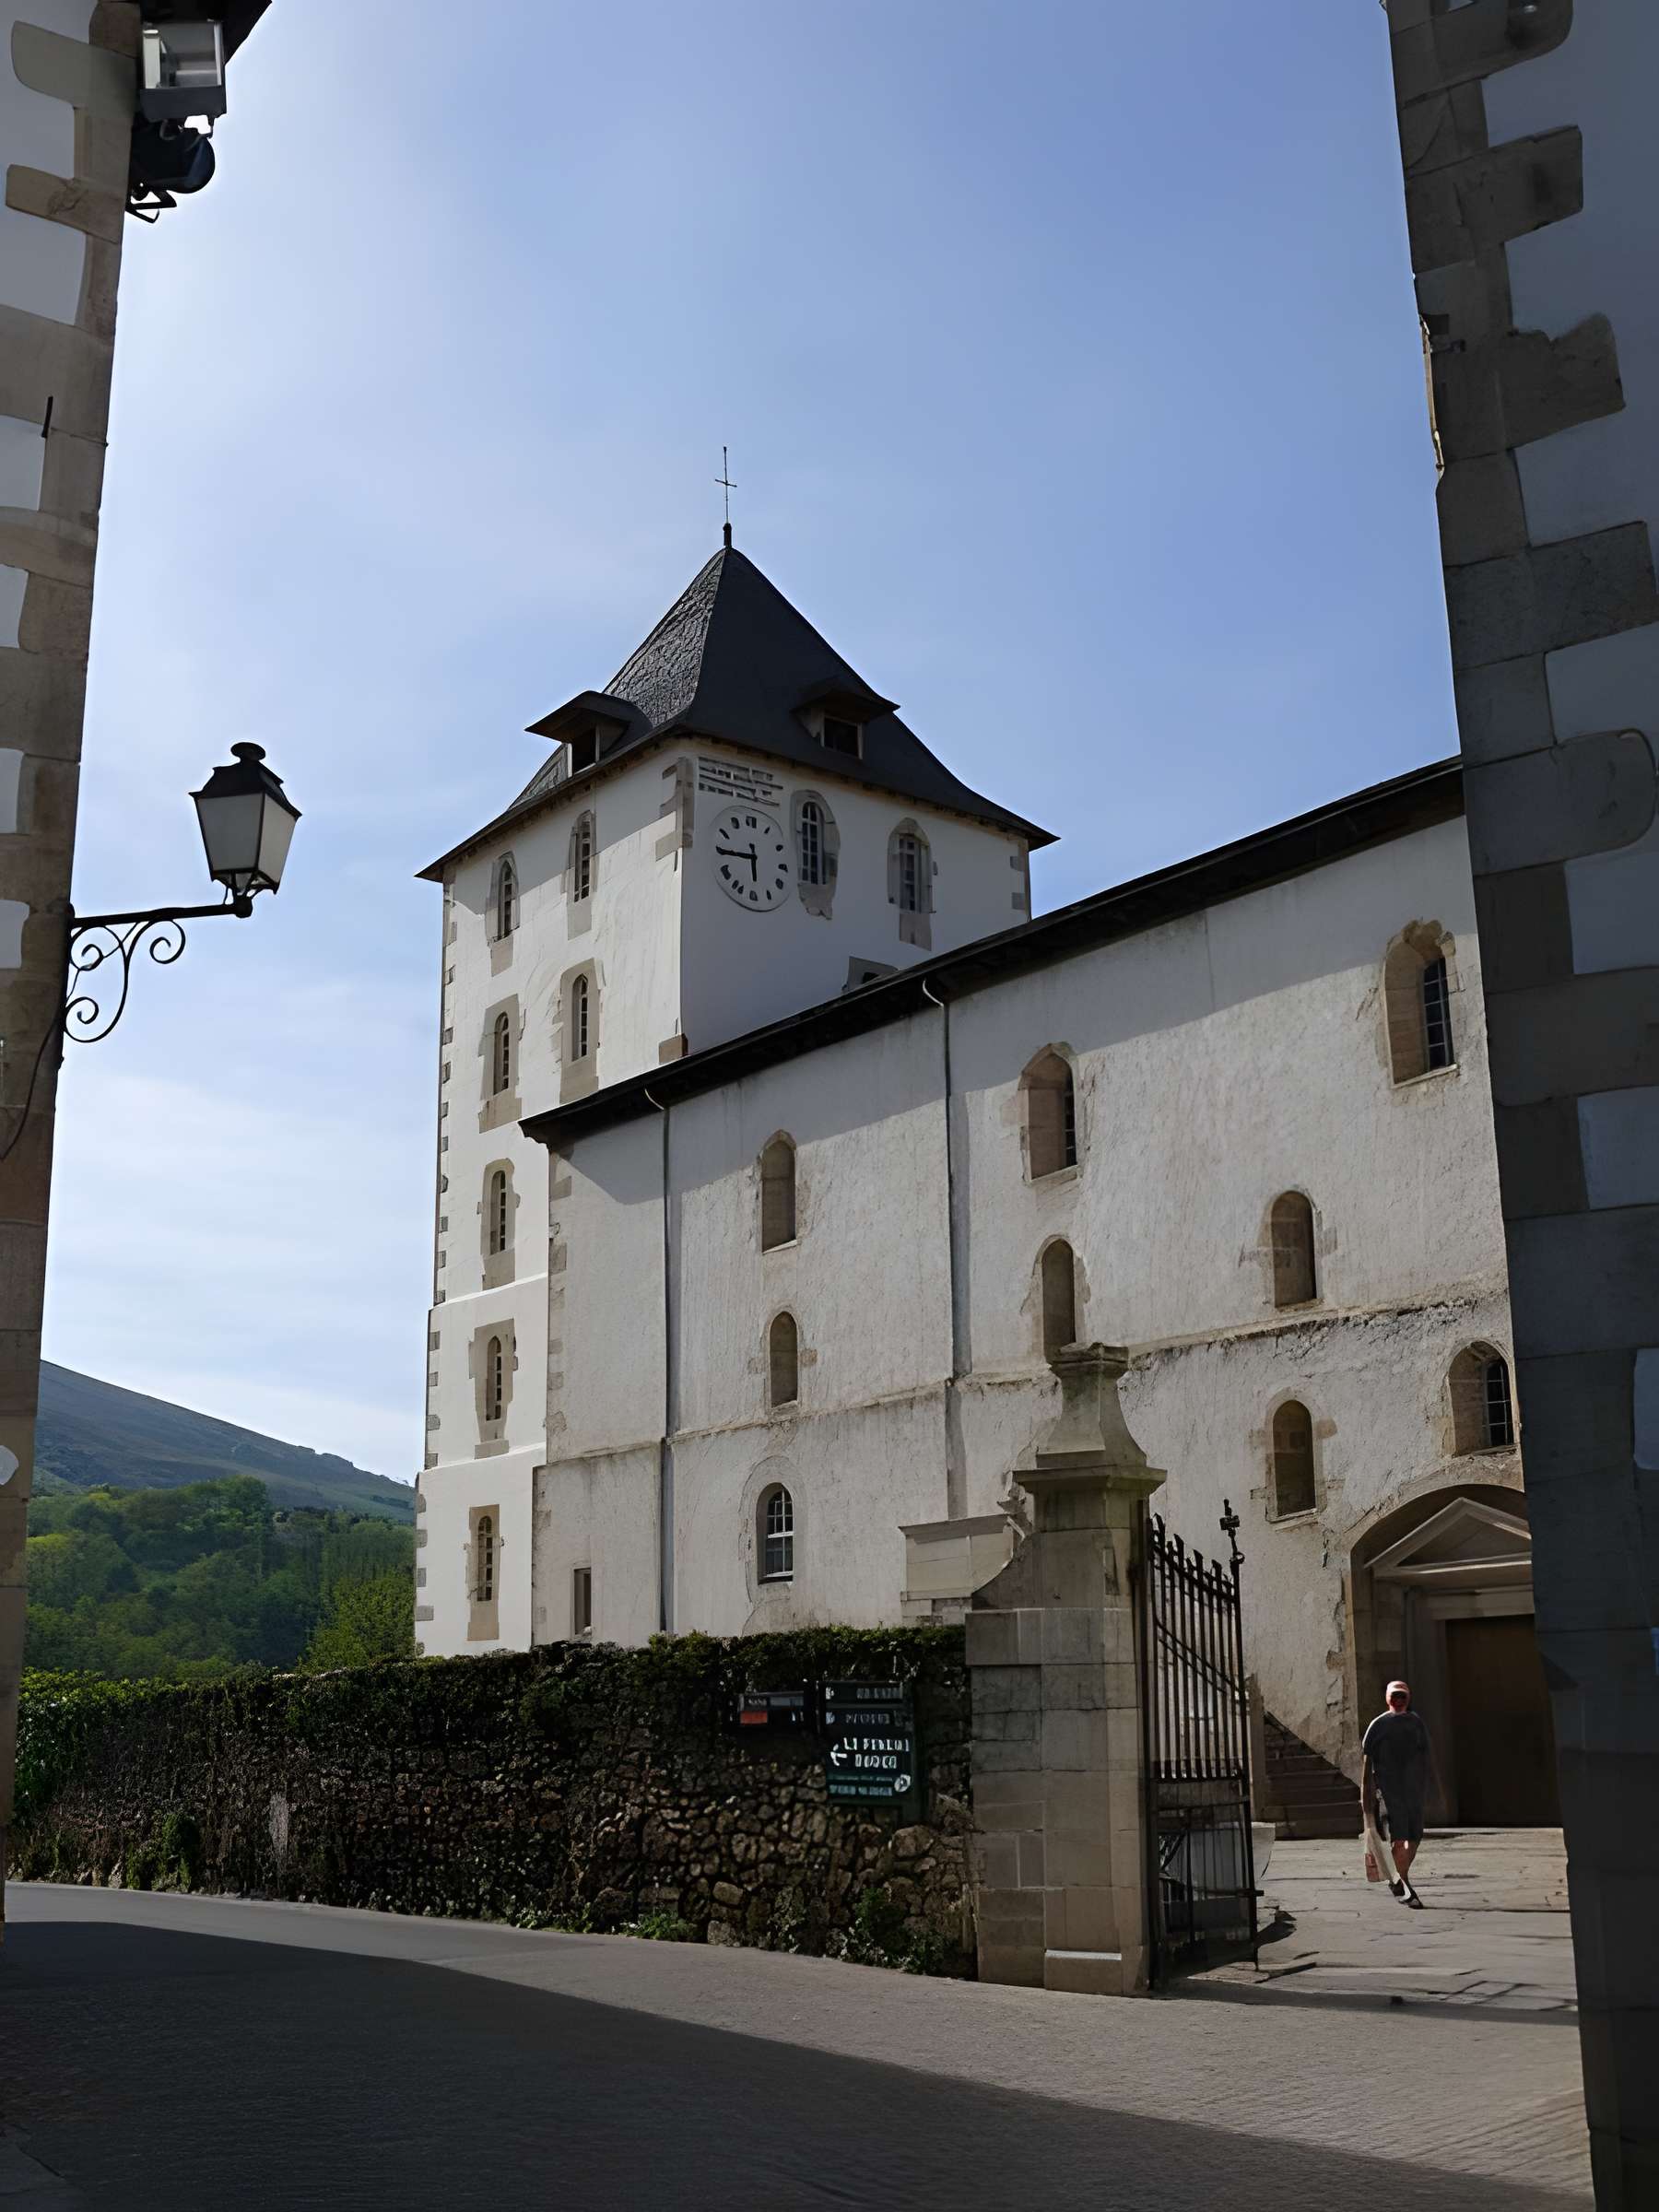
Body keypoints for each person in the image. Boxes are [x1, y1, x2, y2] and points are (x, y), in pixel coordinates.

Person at [1361, 1679, 1435, 1908]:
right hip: (1388, 1791)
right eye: (1395, 1696)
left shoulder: (1416, 1723)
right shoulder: (1378, 1725)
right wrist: (1366, 1798)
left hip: (1413, 1791)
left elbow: (1426, 1756)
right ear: (1387, 1698)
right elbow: (1366, 1764)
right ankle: (1402, 1883)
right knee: (1399, 1837)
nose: (1399, 1700)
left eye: (1403, 1696)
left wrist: (1431, 1787)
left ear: (1408, 1698)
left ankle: (1400, 1876)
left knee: (1415, 1838)